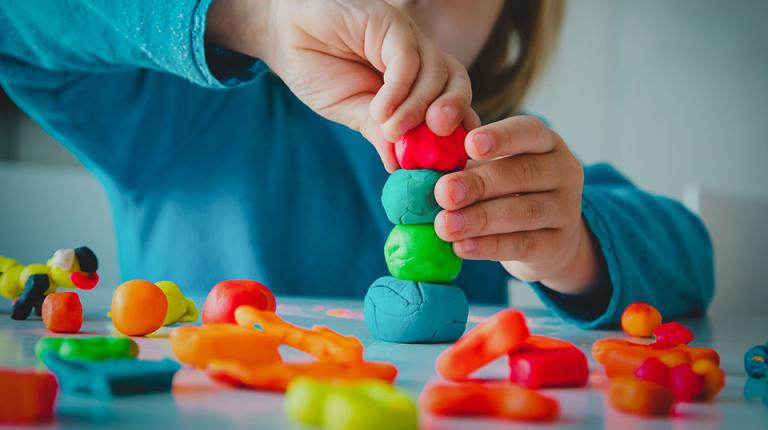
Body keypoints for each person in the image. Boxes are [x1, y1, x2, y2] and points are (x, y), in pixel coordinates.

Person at [0, 0, 713, 328]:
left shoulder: (495, 152)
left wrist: (571, 246)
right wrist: (253, 18)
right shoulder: (181, 115)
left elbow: (690, 254)